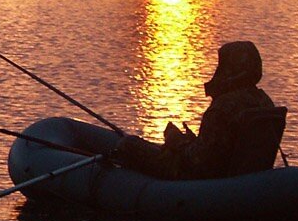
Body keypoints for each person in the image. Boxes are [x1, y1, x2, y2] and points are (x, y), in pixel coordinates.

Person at [112, 41, 278, 180]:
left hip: (201, 180)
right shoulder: (265, 102)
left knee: (128, 145)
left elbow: (196, 162)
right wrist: (191, 141)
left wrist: (175, 140)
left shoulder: (223, 108)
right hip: (239, 178)